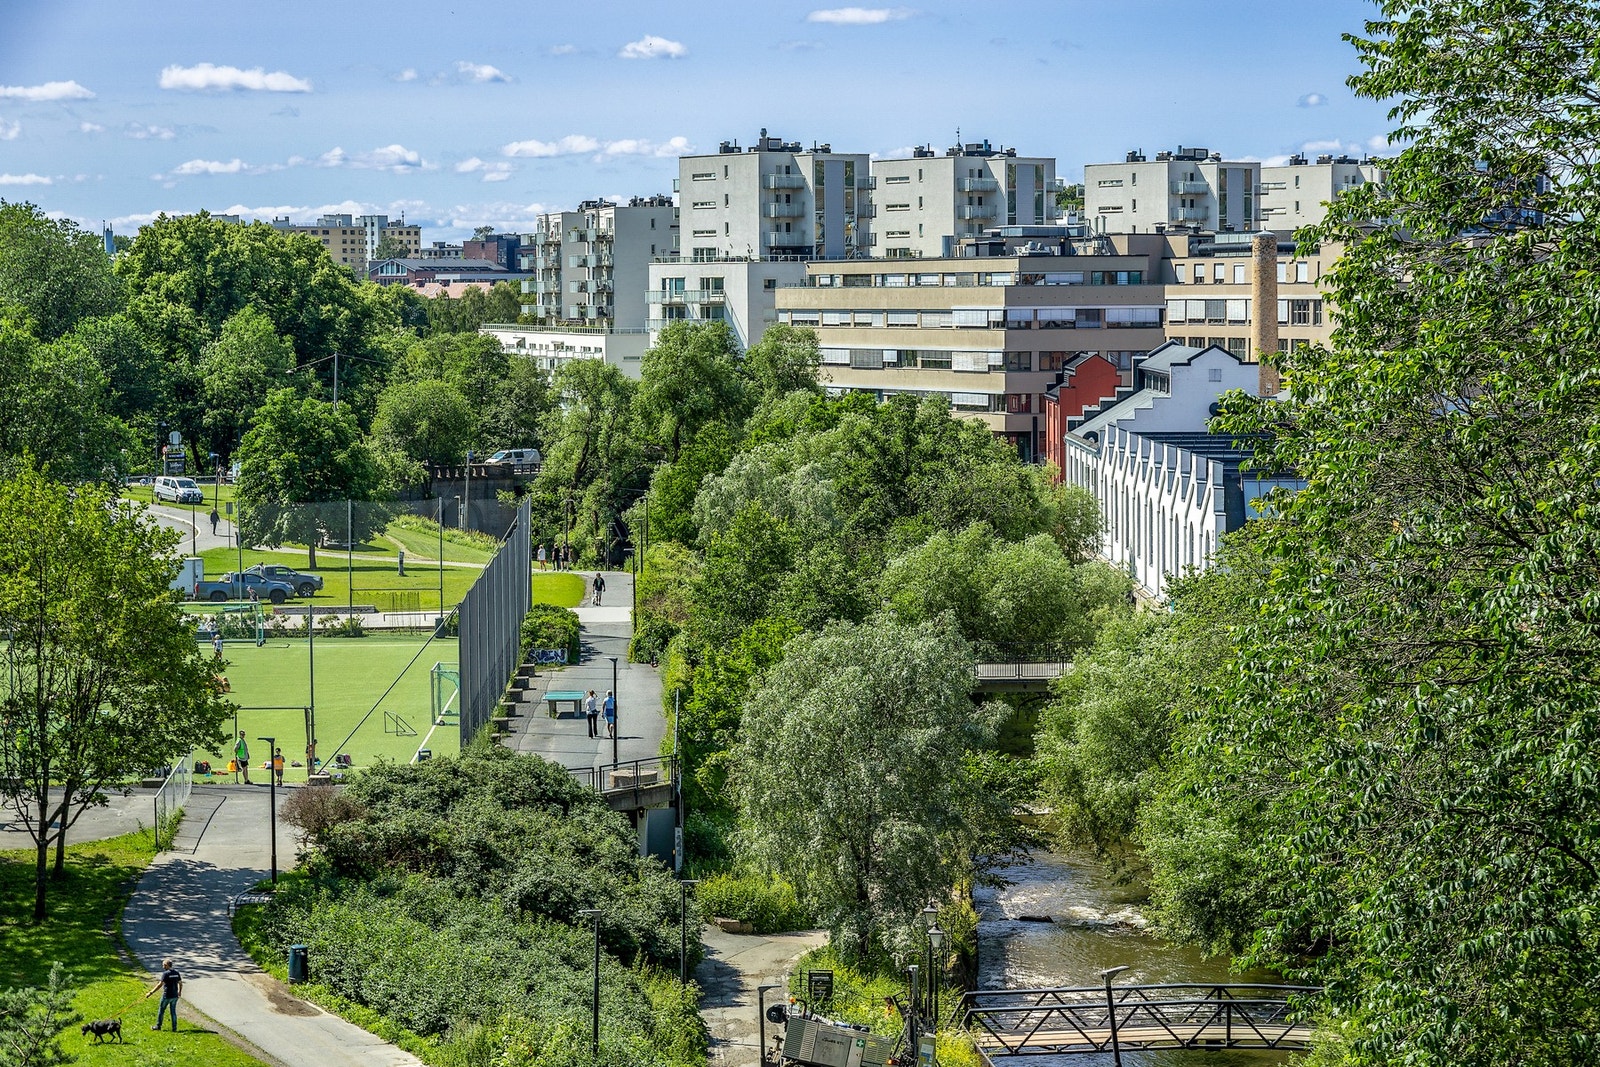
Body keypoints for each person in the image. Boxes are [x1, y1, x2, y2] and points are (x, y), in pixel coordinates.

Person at [145, 958, 182, 1032]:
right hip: (175, 996)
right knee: (173, 1012)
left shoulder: (166, 974)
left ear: (167, 965)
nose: (163, 967)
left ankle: (158, 1026)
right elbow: (180, 983)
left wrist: (151, 992)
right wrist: (179, 992)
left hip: (167, 996)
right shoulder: (176, 973)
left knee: (161, 1011)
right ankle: (174, 1028)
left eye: (163, 965)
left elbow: (160, 985)